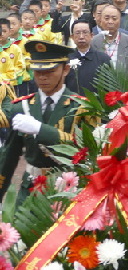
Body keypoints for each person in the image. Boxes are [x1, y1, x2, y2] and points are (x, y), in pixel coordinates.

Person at [0, 41, 93, 200]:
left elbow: (87, 150)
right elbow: (9, 156)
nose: (42, 77)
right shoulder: (22, 107)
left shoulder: (82, 108)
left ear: (65, 69)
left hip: (69, 189)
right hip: (31, 189)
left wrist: (40, 130)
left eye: (50, 71)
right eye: (37, 71)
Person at [65, 19, 112, 94]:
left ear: (92, 35)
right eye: (77, 33)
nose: (81, 37)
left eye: (85, 32)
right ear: (72, 37)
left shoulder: (103, 59)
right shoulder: (66, 59)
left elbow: (109, 86)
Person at [89, 5, 128, 70]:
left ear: (120, 21)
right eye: (106, 18)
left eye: (114, 18)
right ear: (101, 20)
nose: (110, 22)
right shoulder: (92, 43)